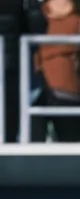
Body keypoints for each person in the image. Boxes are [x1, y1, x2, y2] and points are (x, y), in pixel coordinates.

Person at [32, 0, 80, 143]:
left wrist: (41, 53)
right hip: (65, 84)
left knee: (33, 146)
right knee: (69, 144)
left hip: (42, 82)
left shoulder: (35, 15)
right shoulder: (78, 19)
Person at [0, 0, 46, 143]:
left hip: (11, 66)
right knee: (10, 122)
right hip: (11, 66)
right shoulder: (18, 6)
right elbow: (38, 29)